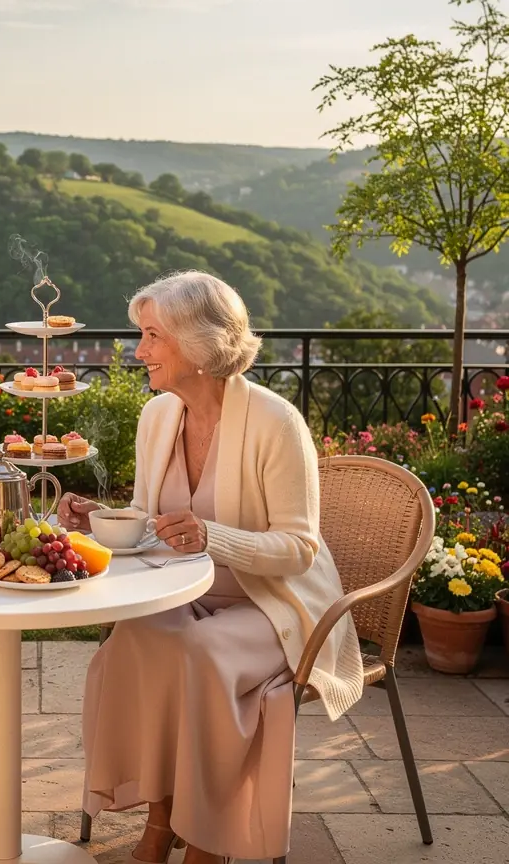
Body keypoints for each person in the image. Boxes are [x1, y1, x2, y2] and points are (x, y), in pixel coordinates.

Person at [58, 271, 363, 864]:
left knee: (198, 654)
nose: (139, 351)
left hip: (274, 603)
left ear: (198, 346)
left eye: (152, 336)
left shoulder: (276, 423)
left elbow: (299, 549)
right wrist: (102, 517)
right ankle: (159, 820)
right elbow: (152, 519)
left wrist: (212, 536)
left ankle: (207, 839)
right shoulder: (158, 418)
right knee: (137, 638)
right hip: (183, 591)